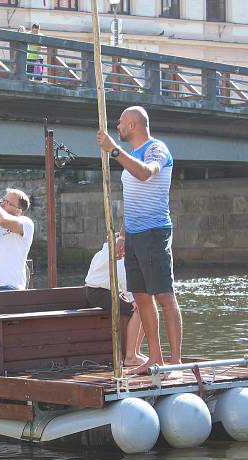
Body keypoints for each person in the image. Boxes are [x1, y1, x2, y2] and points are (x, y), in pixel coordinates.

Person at [96, 105, 183, 376]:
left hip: (154, 232)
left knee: (164, 296)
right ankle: (154, 357)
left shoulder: (157, 149)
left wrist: (113, 149)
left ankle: (176, 361)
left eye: (120, 122)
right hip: (133, 234)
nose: (117, 127)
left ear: (133, 125)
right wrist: (123, 235)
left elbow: (145, 173)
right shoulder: (131, 154)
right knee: (142, 298)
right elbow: (132, 199)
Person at [85, 241, 145, 367]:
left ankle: (135, 352)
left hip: (93, 292)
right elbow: (124, 278)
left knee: (144, 308)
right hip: (101, 293)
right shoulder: (119, 255)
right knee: (141, 311)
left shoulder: (101, 253)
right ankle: (131, 356)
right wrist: (133, 300)